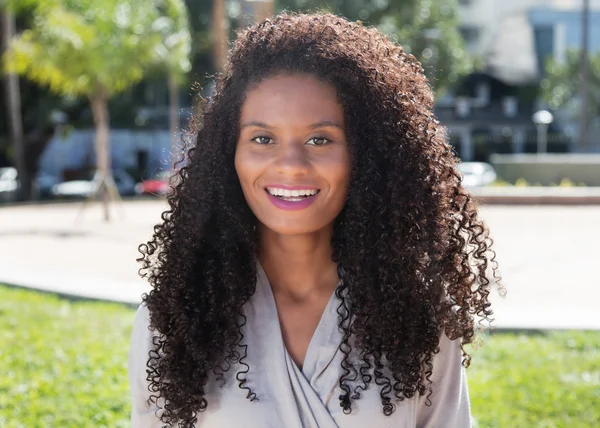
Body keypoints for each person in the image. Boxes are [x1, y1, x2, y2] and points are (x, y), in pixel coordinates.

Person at [129, 12, 501, 428]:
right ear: (227, 154)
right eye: (262, 138)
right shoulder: (174, 315)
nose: (290, 165)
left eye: (320, 139)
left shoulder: (420, 317)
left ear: (368, 155)